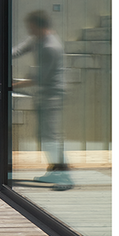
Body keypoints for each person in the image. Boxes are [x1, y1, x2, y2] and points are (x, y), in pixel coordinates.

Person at [12, 10, 72, 191]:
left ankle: (65, 177)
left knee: (50, 136)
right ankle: (53, 170)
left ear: (40, 26)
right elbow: (17, 51)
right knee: (43, 136)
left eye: (31, 27)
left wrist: (12, 85)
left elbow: (40, 78)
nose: (28, 31)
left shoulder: (50, 47)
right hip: (43, 94)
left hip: (53, 95)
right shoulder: (36, 39)